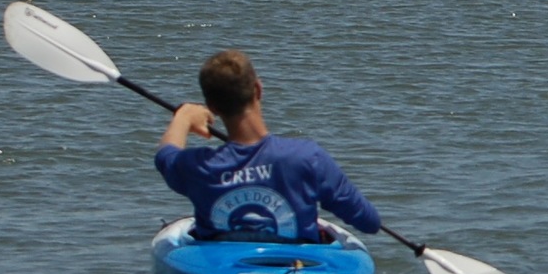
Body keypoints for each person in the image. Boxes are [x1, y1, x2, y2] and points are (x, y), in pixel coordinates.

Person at [156, 48, 382, 243]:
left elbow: (165, 155)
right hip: (298, 269)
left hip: (224, 273)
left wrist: (184, 116)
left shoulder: (198, 167)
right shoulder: (307, 157)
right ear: (258, 90)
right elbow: (369, 222)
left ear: (212, 107)